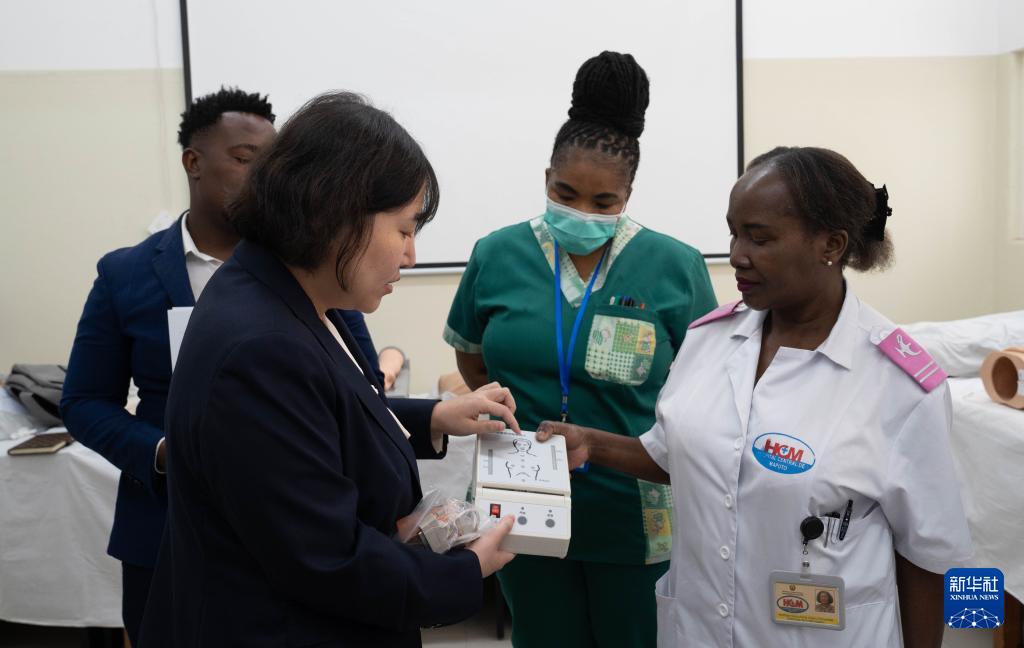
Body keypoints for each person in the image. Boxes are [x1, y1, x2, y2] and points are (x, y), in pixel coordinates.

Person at [537, 147, 973, 647]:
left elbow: (930, 558)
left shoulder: (898, 384)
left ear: (830, 245)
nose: (737, 254)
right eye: (734, 233)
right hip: (699, 632)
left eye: (759, 238)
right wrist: (592, 443)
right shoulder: (707, 341)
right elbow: (677, 455)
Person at [137, 91, 519, 647]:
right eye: (404, 230)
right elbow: (326, 558)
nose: (411, 256)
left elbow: (323, 412)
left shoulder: (287, 294)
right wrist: (465, 570)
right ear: (334, 211)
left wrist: (434, 417)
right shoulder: (262, 347)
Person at [444, 51, 717, 647]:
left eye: (603, 203)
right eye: (564, 193)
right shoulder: (497, 254)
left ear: (628, 195)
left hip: (633, 513)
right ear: (546, 177)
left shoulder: (675, 266)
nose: (582, 213)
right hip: (520, 500)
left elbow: (704, 388)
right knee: (541, 637)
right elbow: (474, 360)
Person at [60, 87, 277, 645]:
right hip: (164, 528)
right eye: (245, 159)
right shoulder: (125, 274)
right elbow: (83, 403)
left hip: (285, 527)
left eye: (272, 164)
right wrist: (161, 452)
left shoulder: (303, 263)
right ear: (193, 162)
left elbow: (360, 381)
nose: (262, 178)